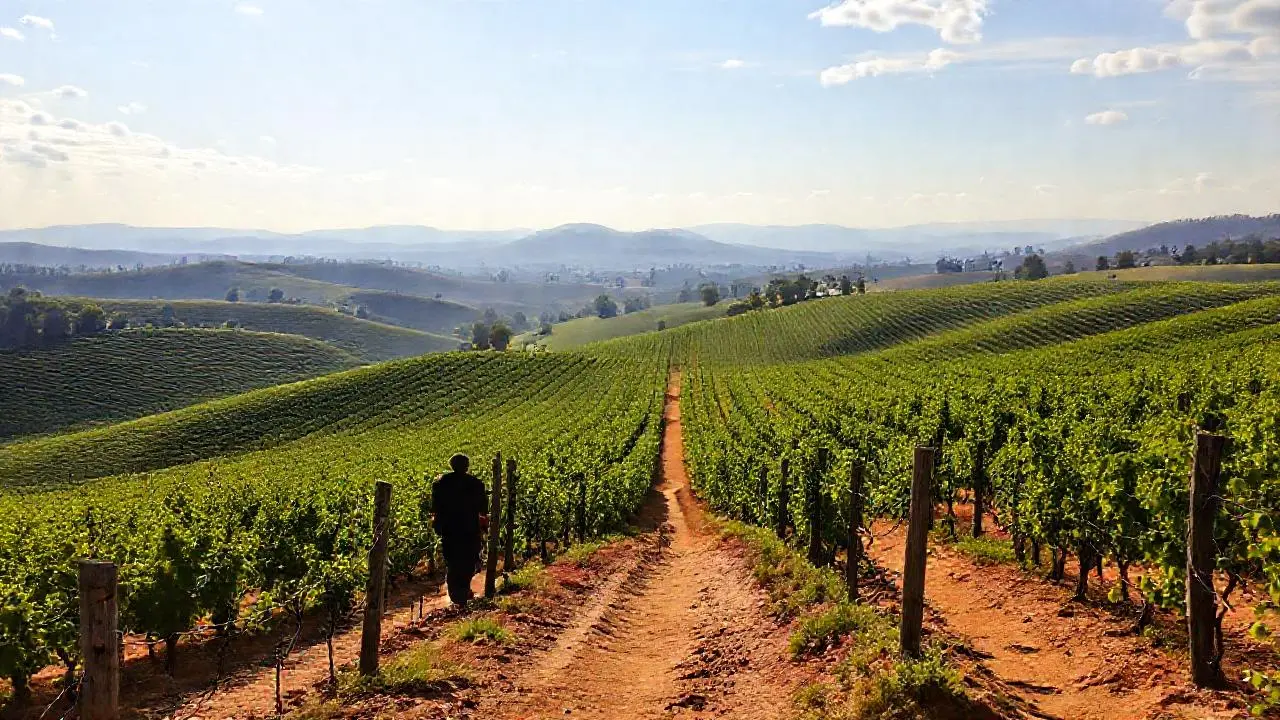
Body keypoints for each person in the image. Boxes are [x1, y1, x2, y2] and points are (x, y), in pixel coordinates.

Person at [431, 454, 488, 607]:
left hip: (449, 528)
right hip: (469, 527)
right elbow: (483, 509)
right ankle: (462, 592)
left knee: (452, 560)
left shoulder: (441, 483)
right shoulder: (476, 484)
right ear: (467, 466)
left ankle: (456, 593)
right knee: (468, 559)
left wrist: (437, 525)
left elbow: (435, 508)